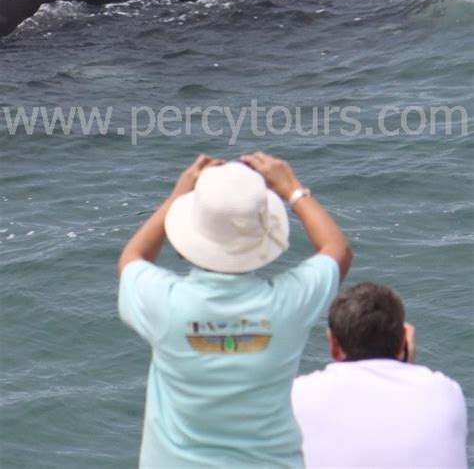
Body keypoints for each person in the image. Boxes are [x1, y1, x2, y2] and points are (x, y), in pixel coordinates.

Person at [117, 151, 352, 468]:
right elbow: (337, 250)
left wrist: (178, 194)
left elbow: (132, 259)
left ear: (189, 233)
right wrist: (292, 188)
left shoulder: (166, 303)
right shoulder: (287, 305)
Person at [291, 282, 468, 468]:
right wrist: (406, 362)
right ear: (403, 342)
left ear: (334, 345)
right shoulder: (447, 392)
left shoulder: (297, 396)